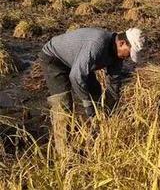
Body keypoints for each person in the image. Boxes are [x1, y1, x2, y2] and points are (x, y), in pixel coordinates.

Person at [39, 27, 145, 155]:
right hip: (54, 58)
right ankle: (65, 153)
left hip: (78, 61)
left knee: (96, 92)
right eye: (129, 53)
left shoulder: (118, 56)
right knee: (63, 104)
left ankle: (94, 134)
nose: (127, 57)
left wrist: (111, 109)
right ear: (121, 43)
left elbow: (114, 83)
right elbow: (76, 76)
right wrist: (88, 104)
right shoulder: (97, 45)